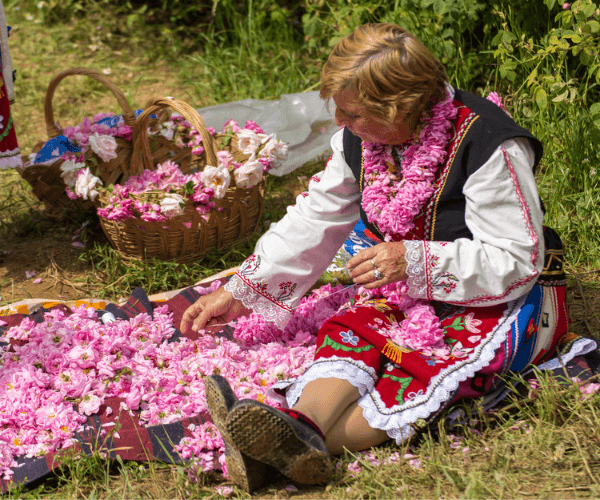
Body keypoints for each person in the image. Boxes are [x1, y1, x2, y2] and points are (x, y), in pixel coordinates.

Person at [180, 23, 569, 492]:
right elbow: (316, 218)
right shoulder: (360, 141)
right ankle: (294, 430)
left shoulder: (488, 143)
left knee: (423, 366)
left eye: (352, 113)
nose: (341, 123)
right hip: (403, 282)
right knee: (355, 331)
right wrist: (241, 292)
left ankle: (282, 451)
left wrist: (414, 261)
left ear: (398, 108)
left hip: (493, 293)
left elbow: (516, 256)